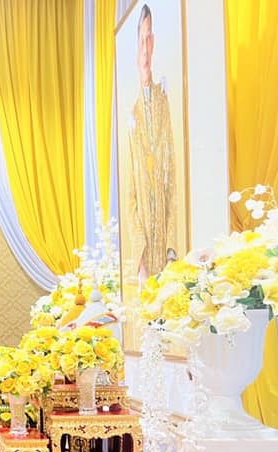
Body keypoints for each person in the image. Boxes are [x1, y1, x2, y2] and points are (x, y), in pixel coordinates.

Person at [128, 3, 177, 281]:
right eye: (141, 41)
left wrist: (172, 253)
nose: (145, 49)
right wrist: (140, 262)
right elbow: (130, 197)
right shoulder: (130, 112)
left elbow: (173, 185)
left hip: (167, 258)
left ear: (154, 42)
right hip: (144, 259)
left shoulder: (165, 101)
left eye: (149, 39)